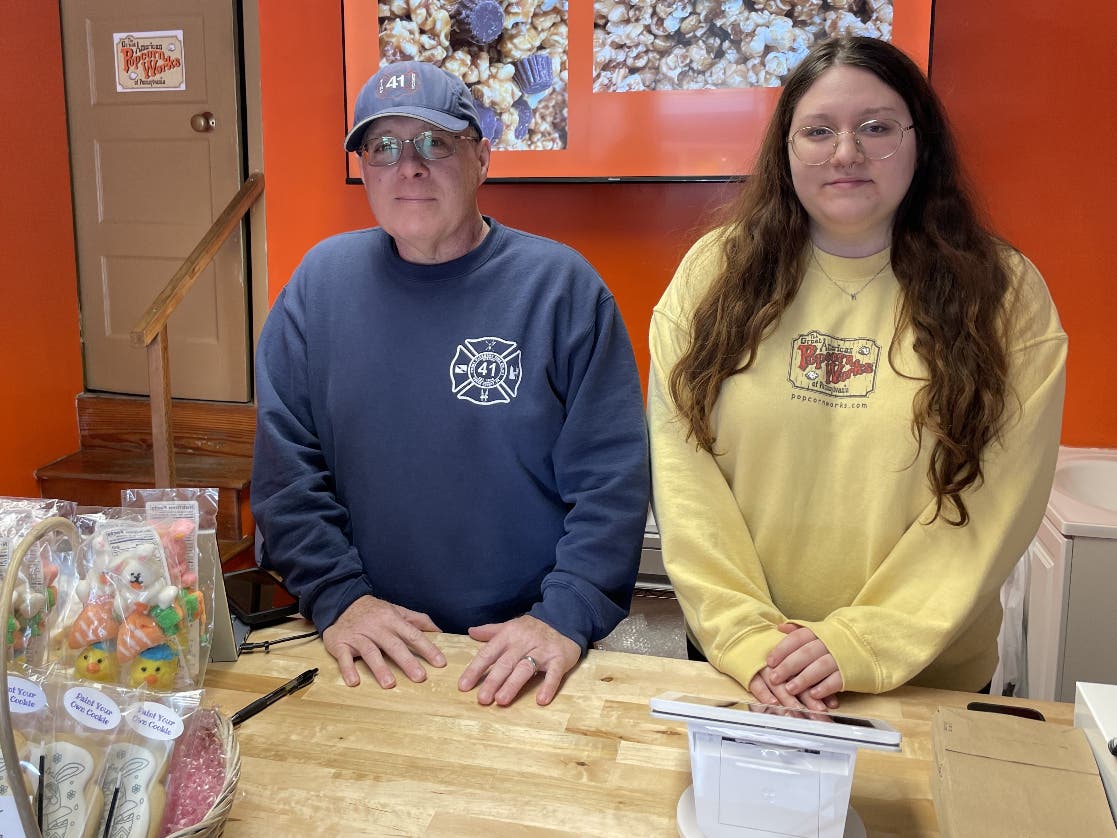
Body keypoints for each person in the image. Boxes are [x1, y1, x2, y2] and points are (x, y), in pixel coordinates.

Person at [647, 37, 1066, 712]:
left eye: (875, 127)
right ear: (784, 150)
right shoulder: (711, 277)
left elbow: (999, 500)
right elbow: (683, 475)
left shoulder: (1004, 294)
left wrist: (862, 640)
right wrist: (748, 638)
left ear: (919, 142)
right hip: (752, 671)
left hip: (924, 675)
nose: (845, 153)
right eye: (817, 131)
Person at [252, 61, 649, 707]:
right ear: (363, 169)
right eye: (382, 147)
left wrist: (565, 613)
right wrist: (338, 597)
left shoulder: (561, 288)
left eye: (435, 142)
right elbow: (285, 471)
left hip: (522, 644)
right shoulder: (319, 284)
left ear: (482, 156)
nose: (408, 166)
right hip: (365, 640)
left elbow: (612, 479)